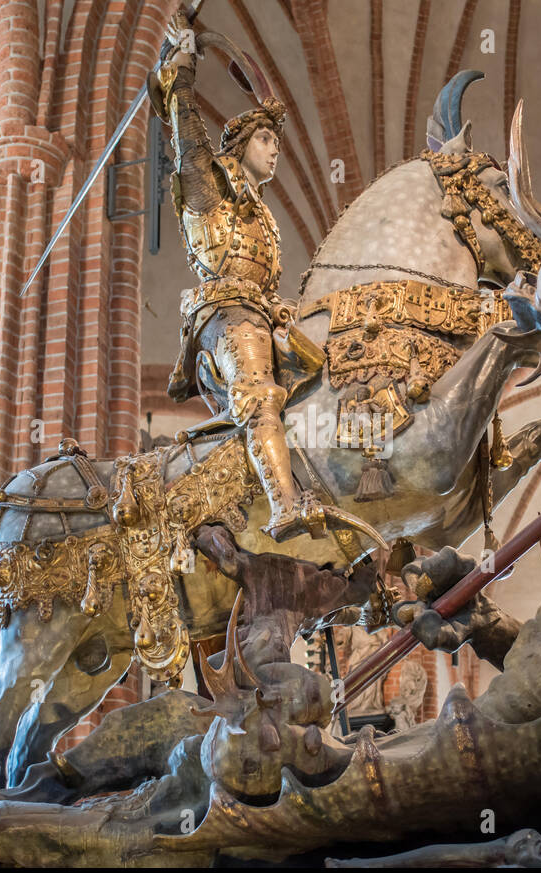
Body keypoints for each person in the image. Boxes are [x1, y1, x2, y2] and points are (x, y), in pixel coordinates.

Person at [153, 12, 355, 542]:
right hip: (224, 316)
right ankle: (285, 505)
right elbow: (191, 146)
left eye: (275, 141)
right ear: (240, 146)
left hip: (267, 312)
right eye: (266, 138)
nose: (275, 149)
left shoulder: (263, 215)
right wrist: (182, 71)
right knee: (260, 392)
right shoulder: (210, 192)